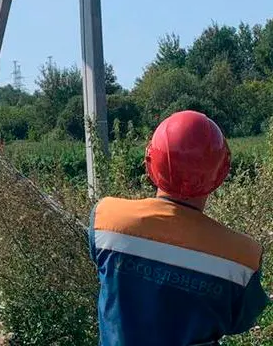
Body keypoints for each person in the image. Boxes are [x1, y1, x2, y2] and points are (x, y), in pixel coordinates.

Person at [88, 110, 269, 346]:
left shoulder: (107, 218)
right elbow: (241, 321)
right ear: (221, 174)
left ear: (149, 163)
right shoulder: (242, 256)